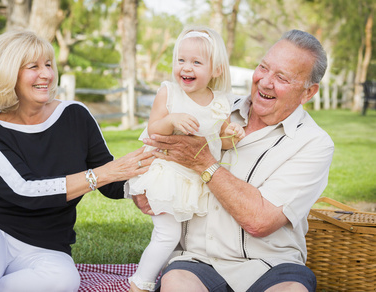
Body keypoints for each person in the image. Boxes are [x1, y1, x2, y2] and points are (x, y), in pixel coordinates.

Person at [0, 30, 154, 292]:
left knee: (63, 282)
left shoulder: (76, 115)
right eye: (33, 67)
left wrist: (134, 189)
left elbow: (110, 181)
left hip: (48, 241)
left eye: (48, 64)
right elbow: (24, 190)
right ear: (7, 73)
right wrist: (101, 175)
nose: (46, 74)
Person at [133, 29, 334, 292]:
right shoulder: (216, 107)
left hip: (272, 265)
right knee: (176, 284)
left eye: (281, 77)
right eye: (263, 67)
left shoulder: (313, 143)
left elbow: (260, 221)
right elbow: (155, 146)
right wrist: (143, 189)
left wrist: (204, 163)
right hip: (198, 260)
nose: (265, 82)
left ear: (308, 93)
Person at [127, 26, 245, 292]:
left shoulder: (220, 102)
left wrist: (232, 135)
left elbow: (219, 141)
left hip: (193, 180)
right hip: (167, 175)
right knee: (168, 234)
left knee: (180, 237)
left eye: (196, 62)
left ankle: (170, 277)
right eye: (181, 60)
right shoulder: (169, 93)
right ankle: (140, 283)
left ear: (215, 70)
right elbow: (154, 130)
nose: (186, 67)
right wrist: (172, 119)